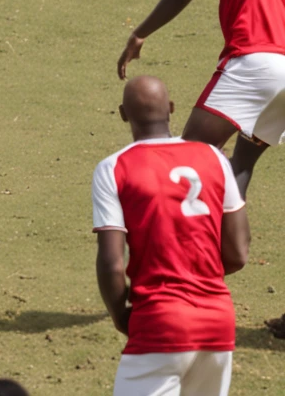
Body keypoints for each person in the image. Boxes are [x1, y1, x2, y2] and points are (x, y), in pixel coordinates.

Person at [118, 0, 285, 204]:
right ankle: (229, 249)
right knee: (242, 164)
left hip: (255, 63)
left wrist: (140, 34)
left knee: (189, 159)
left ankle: (179, 246)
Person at [92, 75, 248, 396]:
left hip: (158, 325)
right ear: (172, 109)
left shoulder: (114, 168)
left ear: (123, 114)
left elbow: (111, 264)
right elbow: (237, 253)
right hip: (217, 324)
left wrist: (121, 315)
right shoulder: (214, 158)